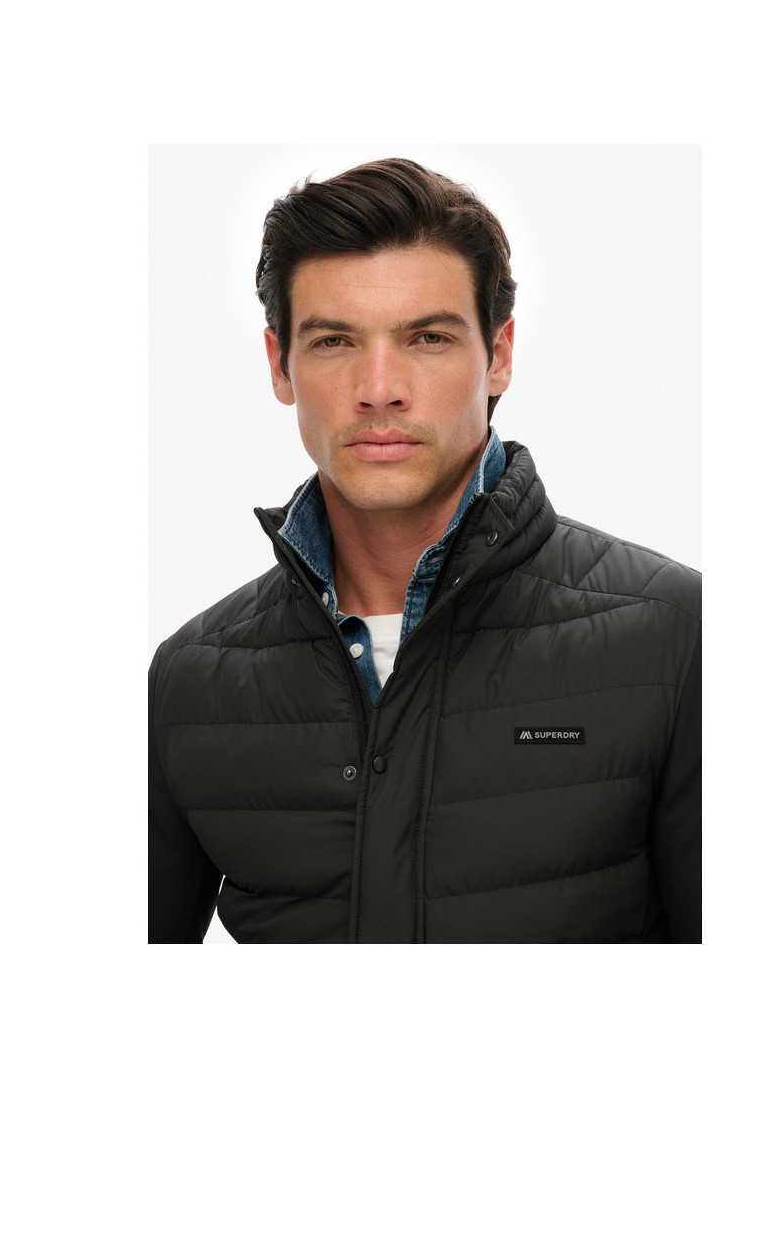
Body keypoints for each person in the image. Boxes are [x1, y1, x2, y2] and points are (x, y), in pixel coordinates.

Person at [149, 157, 701, 943]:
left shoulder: (676, 637)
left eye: (428, 338)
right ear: (280, 365)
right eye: (334, 340)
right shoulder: (191, 684)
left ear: (498, 355)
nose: (380, 388)